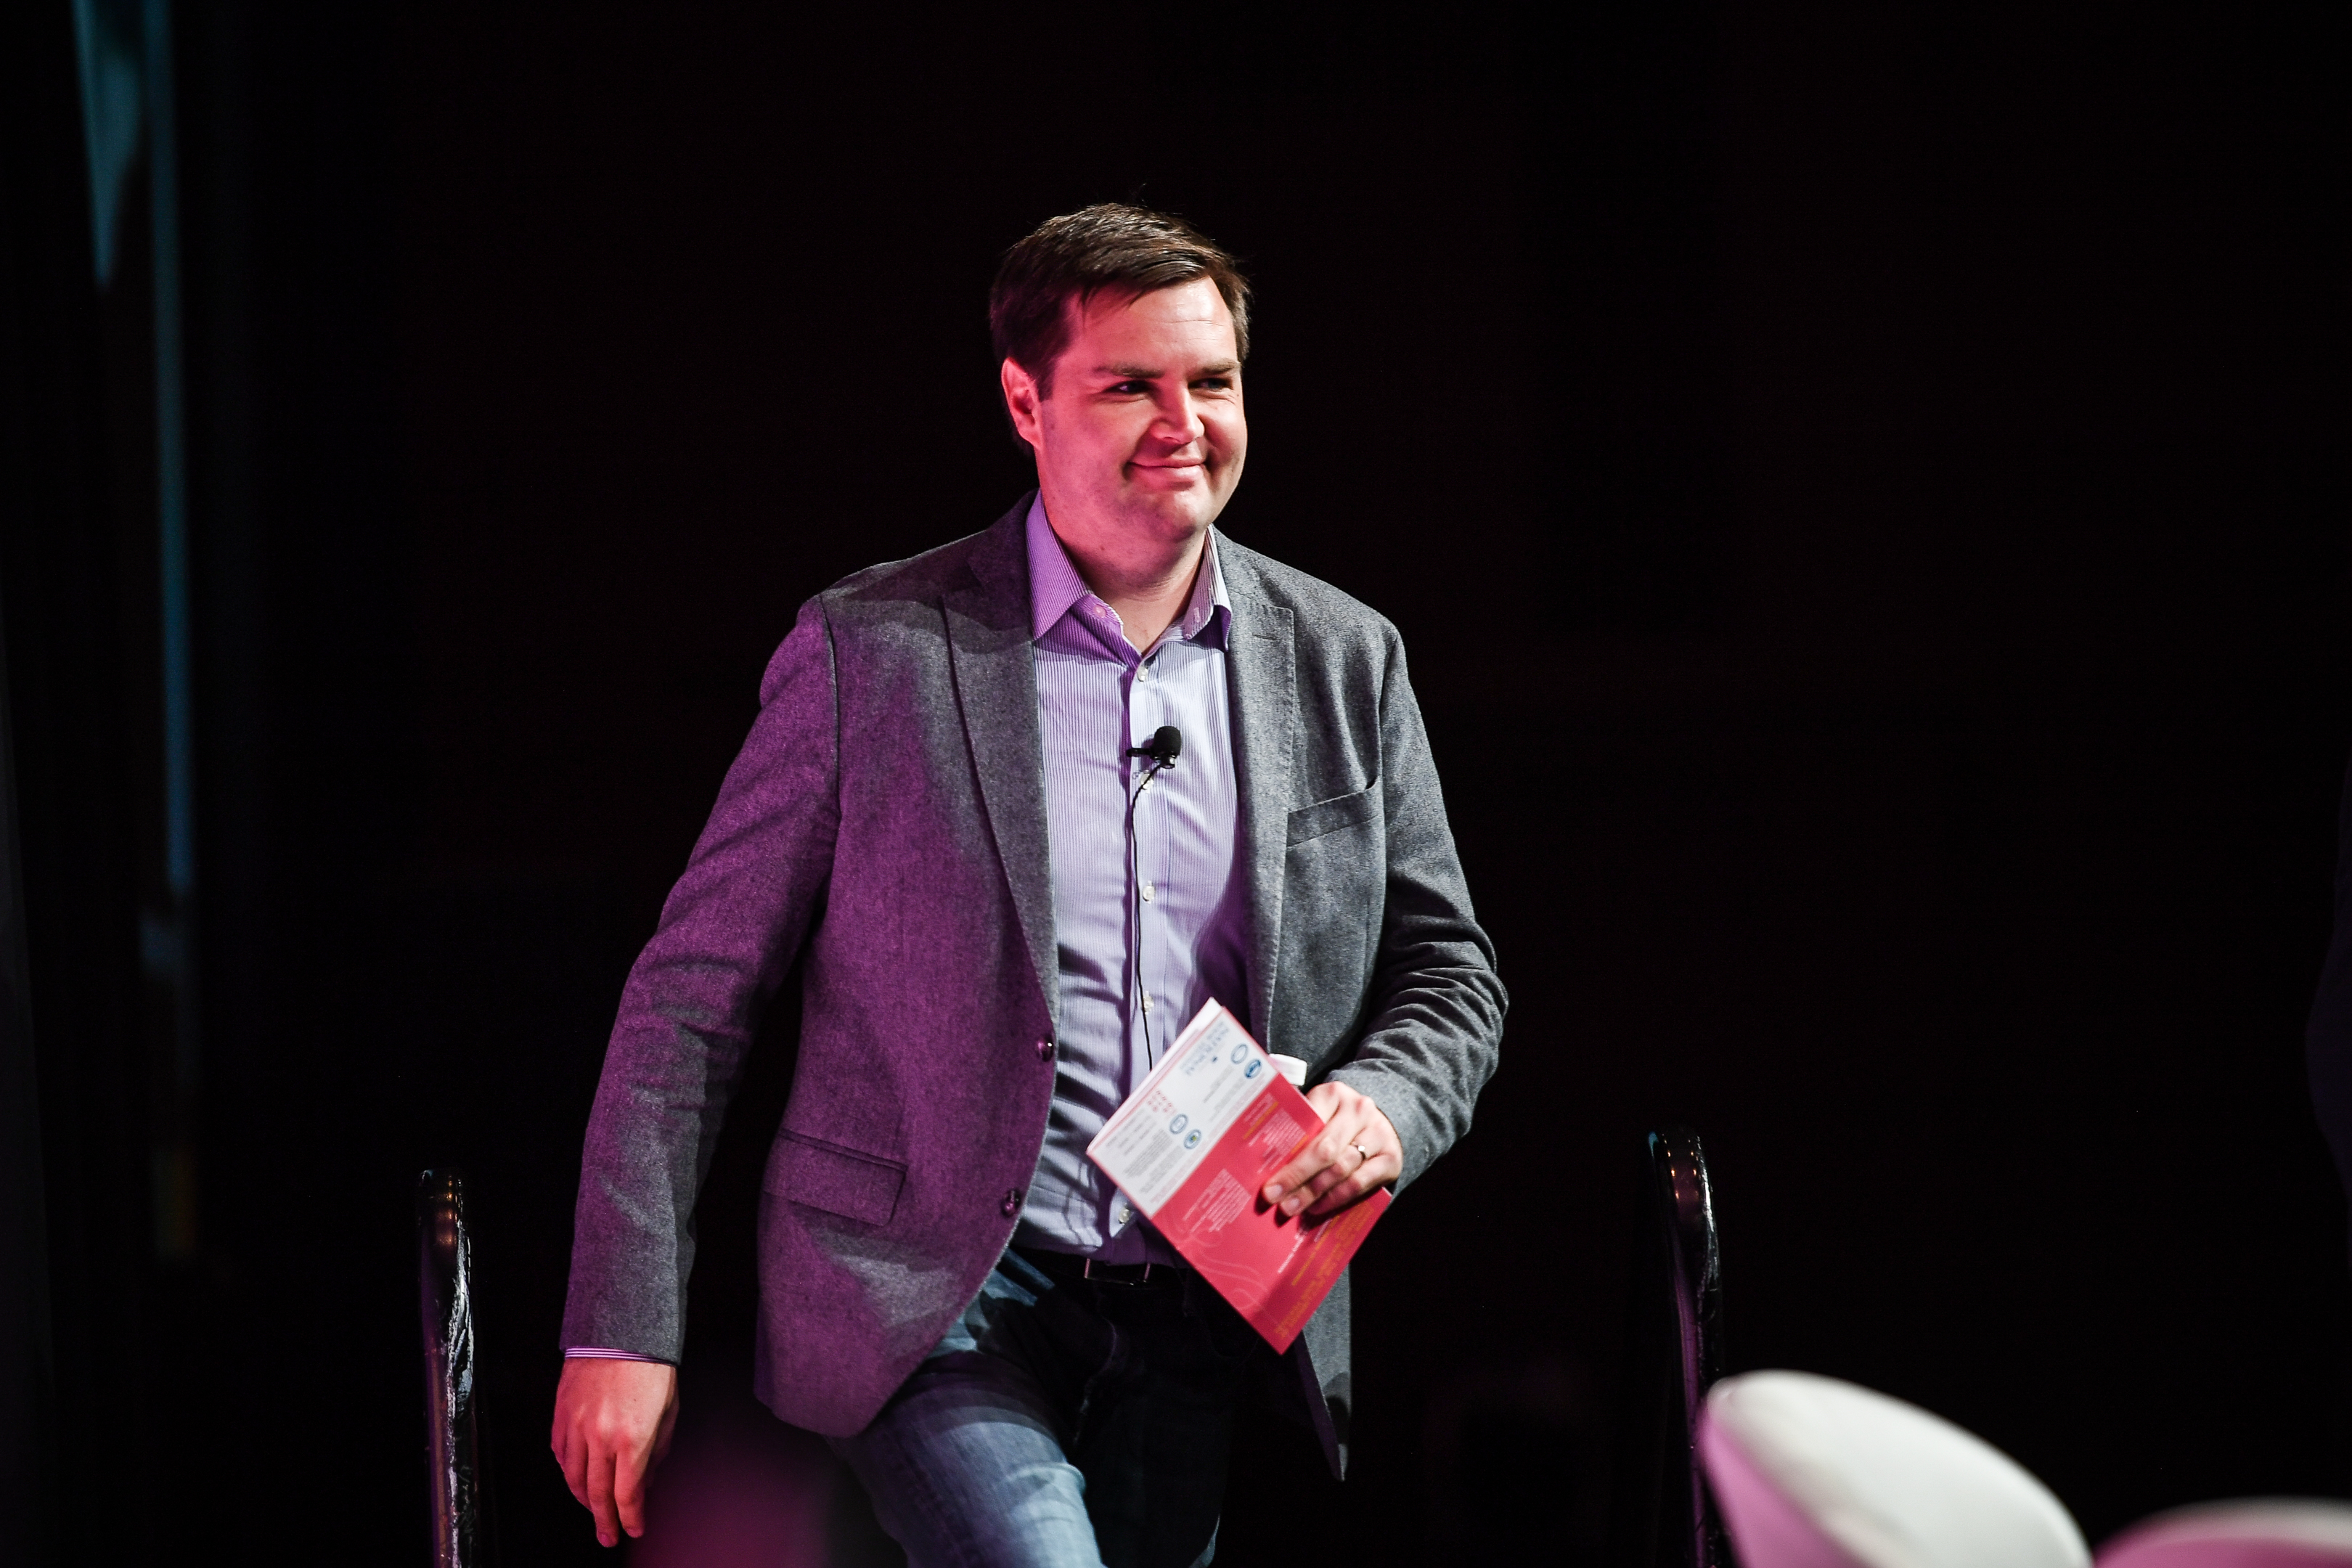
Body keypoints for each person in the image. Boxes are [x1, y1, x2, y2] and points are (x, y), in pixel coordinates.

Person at [550, 203, 1507, 1567]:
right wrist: (620, 1328)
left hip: (1203, 1299)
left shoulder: (1344, 658)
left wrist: (1387, 1108)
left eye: (1214, 382)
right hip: (934, 1299)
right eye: (1130, 385)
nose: (1184, 421)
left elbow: (1452, 976)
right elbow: (689, 1003)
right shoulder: (872, 651)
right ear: (1024, 400)